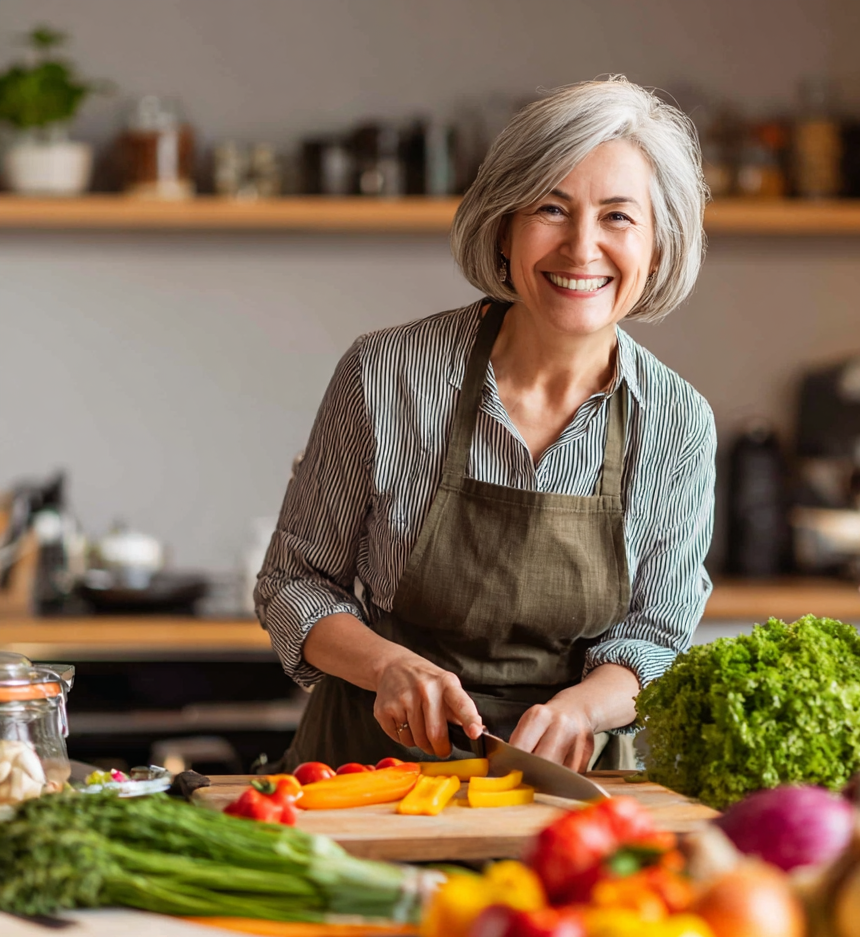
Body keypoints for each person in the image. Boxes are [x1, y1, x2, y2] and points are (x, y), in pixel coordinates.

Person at [256, 76, 716, 773]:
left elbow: (659, 636)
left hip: (564, 791)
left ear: (658, 246)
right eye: (551, 210)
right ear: (504, 228)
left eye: (618, 217)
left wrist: (584, 709)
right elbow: (291, 582)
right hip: (368, 778)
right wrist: (386, 667)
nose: (582, 247)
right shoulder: (386, 373)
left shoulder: (677, 421)